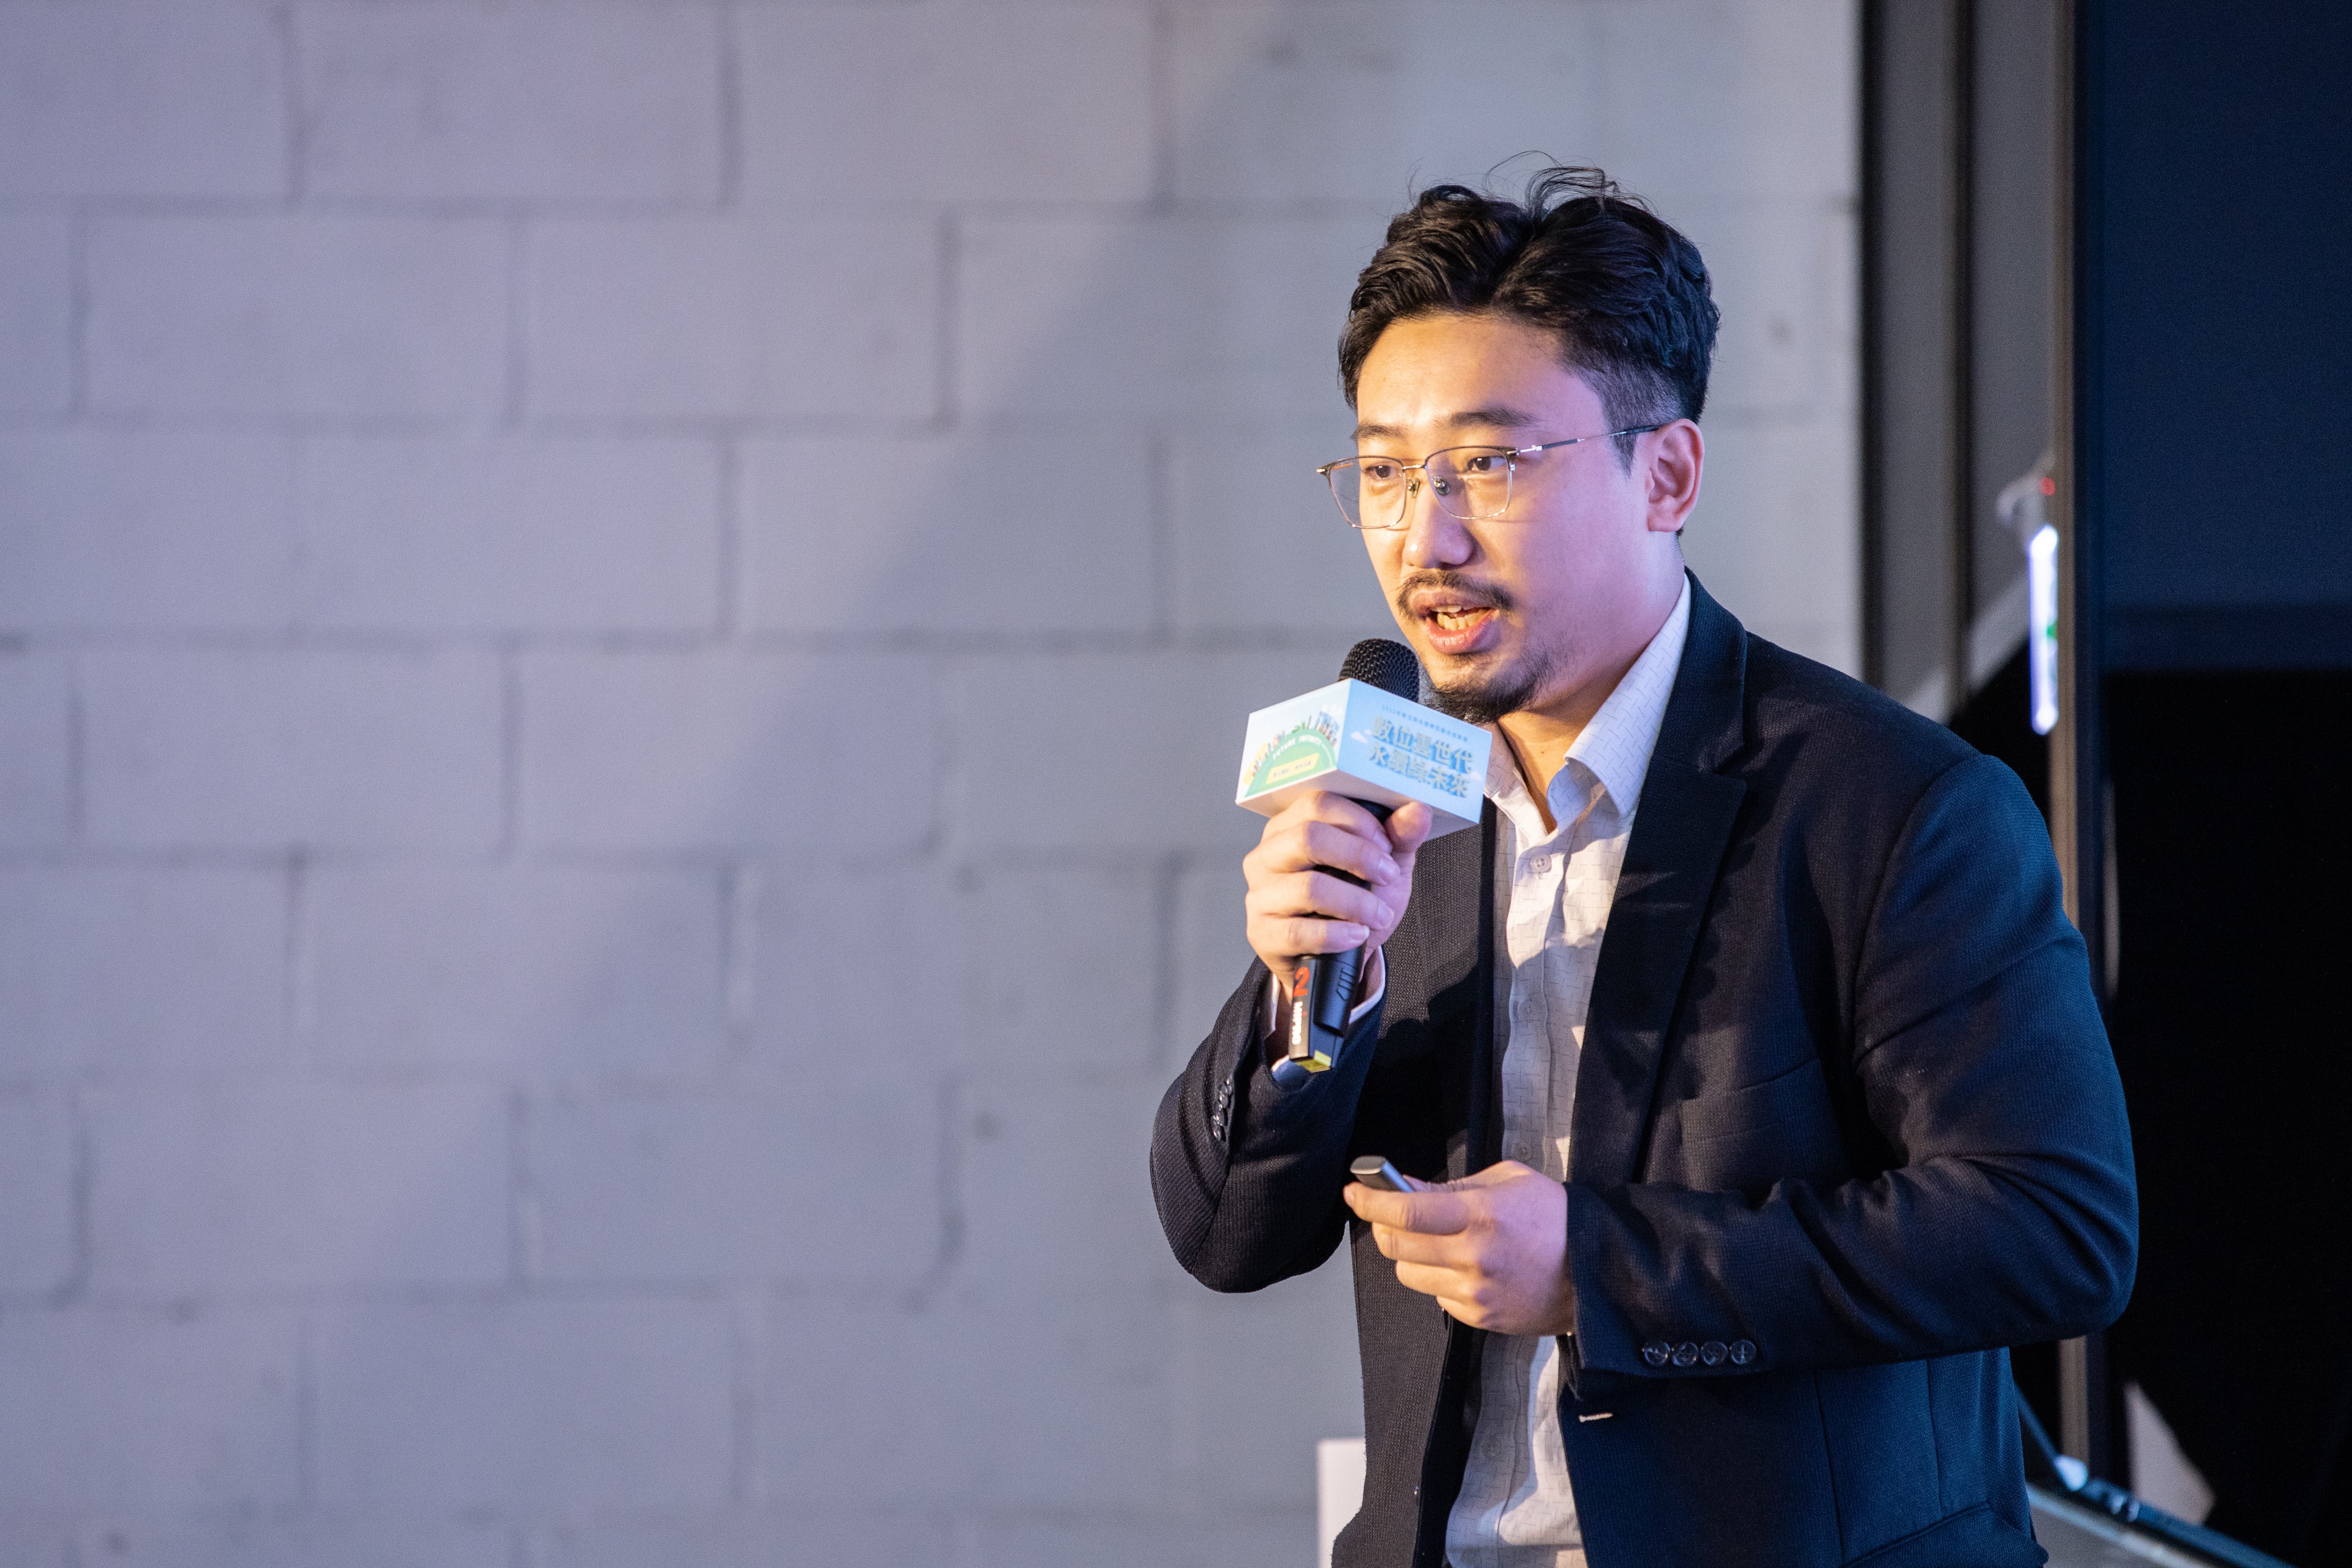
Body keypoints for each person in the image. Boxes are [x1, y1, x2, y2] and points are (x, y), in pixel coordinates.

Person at [1148, 168, 2136, 1568]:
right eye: (1382, 472)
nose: (1425, 538)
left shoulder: (1891, 804)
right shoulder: (1399, 804)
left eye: (1489, 465)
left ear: (1665, 474)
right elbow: (1224, 1234)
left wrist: (1599, 1270)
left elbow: (2050, 1229)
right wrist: (1300, 991)